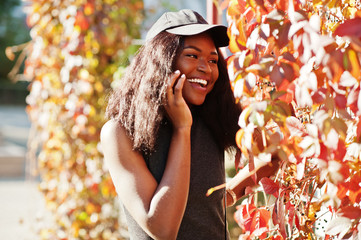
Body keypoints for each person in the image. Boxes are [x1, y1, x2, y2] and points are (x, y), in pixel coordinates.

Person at [101, 9, 279, 240]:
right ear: (160, 60)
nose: (206, 68)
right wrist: (182, 129)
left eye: (213, 60)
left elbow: (274, 155)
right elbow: (163, 230)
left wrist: (227, 195)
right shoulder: (120, 133)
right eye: (192, 56)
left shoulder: (214, 115)